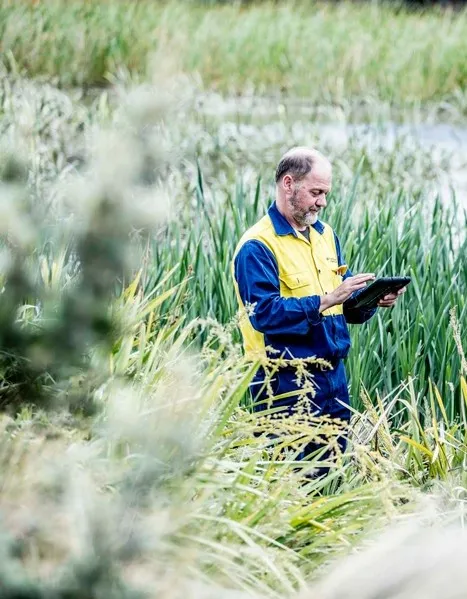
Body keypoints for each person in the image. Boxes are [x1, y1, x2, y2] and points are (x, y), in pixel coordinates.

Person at [232, 147, 406, 465]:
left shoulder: (325, 235)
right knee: (289, 482)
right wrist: (327, 300)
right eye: (316, 192)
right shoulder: (257, 246)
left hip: (332, 379)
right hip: (283, 384)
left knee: (332, 477)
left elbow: (344, 305)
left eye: (325, 193)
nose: (322, 202)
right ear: (288, 184)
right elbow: (264, 314)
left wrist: (370, 301)